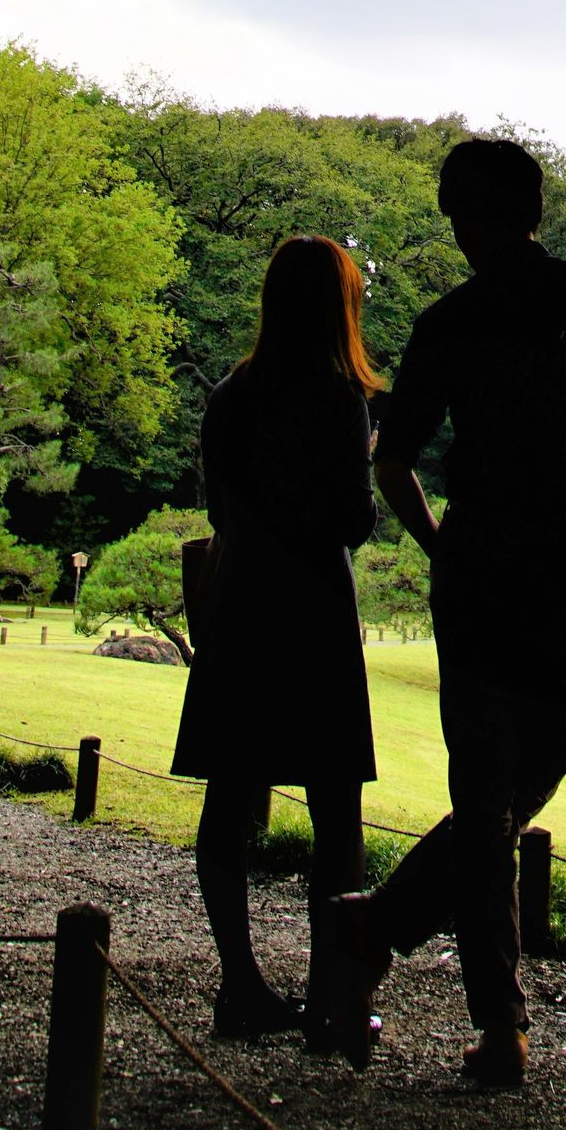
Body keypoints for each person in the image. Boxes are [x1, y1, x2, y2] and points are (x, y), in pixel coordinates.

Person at [313, 137, 566, 1088]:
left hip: (509, 562)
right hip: (544, 564)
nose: (462, 227)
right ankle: (499, 1023)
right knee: (501, 791)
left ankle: (375, 929)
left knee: (510, 788)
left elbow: (395, 462)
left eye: (463, 211)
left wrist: (446, 547)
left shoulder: (472, 318)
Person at [171, 232, 382, 1038]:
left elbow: (221, 509)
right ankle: (331, 995)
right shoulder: (337, 399)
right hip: (314, 608)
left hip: (242, 600)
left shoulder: (231, 394)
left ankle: (240, 983)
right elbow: (351, 521)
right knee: (335, 808)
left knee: (229, 798)